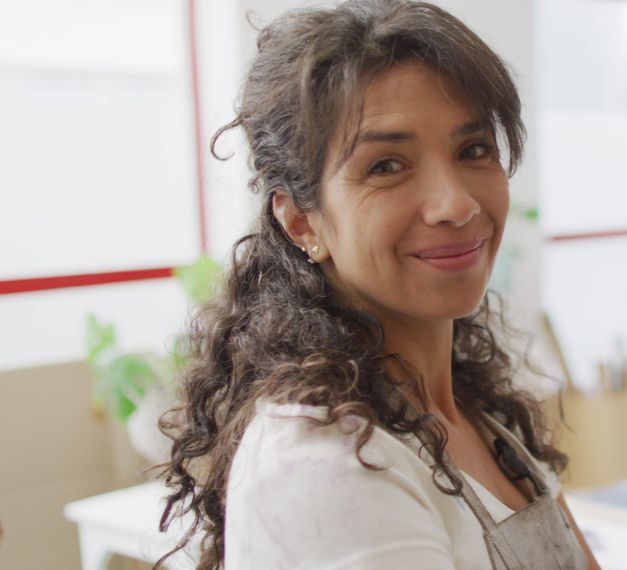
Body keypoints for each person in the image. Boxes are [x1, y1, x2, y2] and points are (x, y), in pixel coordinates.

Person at [154, 1, 600, 568]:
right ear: (302, 222)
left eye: (474, 150)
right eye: (386, 166)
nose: (457, 204)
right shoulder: (324, 459)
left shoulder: (474, 413)